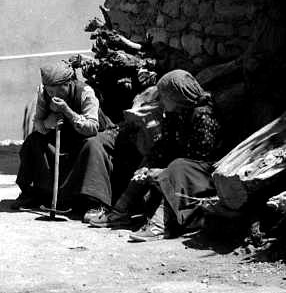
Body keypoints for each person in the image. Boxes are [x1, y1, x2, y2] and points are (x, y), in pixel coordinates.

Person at [89, 69, 222, 241]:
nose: (161, 101)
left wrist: (163, 172)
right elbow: (164, 145)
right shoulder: (175, 113)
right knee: (150, 161)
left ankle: (160, 225)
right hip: (181, 165)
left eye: (164, 96)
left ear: (177, 95)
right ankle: (120, 212)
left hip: (202, 171)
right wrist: (147, 168)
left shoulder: (203, 114)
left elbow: (199, 157)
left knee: (178, 166)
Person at [16, 60, 117, 214]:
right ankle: (33, 192)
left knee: (92, 145)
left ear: (68, 84)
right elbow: (38, 123)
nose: (54, 96)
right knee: (34, 140)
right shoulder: (43, 92)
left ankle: (94, 202)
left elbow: (92, 128)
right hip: (67, 135)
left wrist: (67, 111)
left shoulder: (85, 92)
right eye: (50, 92)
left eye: (58, 91)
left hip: (97, 133)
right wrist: (48, 123)